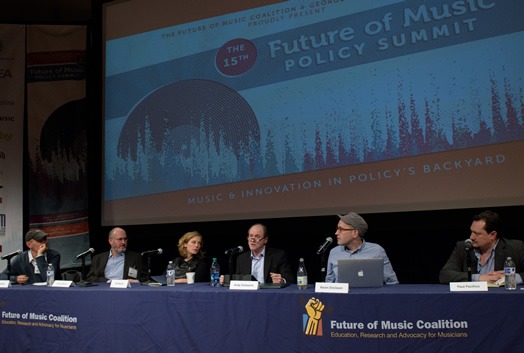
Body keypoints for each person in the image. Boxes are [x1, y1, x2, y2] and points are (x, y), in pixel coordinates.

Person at [439, 210, 524, 284]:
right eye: (471, 232)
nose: (471, 237)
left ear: (493, 235)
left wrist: (510, 277)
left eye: (477, 234)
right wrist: (478, 278)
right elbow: (445, 275)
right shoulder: (464, 247)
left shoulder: (515, 247)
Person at [325, 212, 398, 284]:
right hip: (341, 295)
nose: (336, 233)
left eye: (341, 229)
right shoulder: (334, 252)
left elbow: (391, 282)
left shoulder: (377, 251)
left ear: (355, 233)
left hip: (369, 295)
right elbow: (329, 282)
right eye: (337, 229)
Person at [220, 223, 294, 285]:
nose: (252, 240)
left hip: (269, 295)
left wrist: (281, 280)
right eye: (251, 236)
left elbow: (289, 278)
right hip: (248, 295)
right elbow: (238, 280)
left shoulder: (278, 256)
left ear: (265, 240)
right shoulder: (242, 258)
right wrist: (226, 280)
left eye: (257, 237)